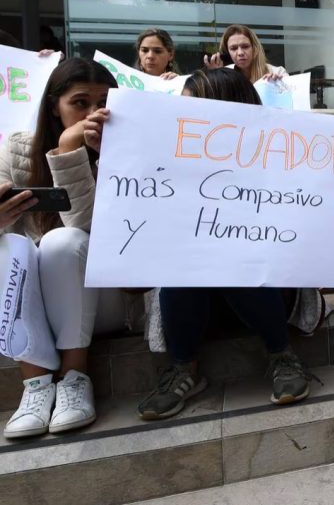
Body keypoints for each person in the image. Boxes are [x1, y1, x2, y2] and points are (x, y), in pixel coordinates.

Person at [135, 68, 313, 420]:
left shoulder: (276, 155)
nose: (183, 118)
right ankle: (183, 367)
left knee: (229, 254)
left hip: (267, 291)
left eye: (193, 108)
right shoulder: (168, 162)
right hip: (193, 298)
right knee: (193, 258)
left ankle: (282, 354)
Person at [0, 58, 121, 438]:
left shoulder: (124, 153)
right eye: (80, 103)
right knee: (9, 245)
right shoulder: (17, 149)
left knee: (63, 240)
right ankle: (35, 383)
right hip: (32, 305)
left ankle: (74, 377)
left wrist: (70, 151)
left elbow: (87, 230)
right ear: (55, 105)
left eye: (103, 103)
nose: (92, 114)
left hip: (102, 296)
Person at [202, 24, 287, 83]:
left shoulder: (278, 72)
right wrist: (216, 77)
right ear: (227, 53)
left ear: (255, 48)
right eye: (233, 48)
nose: (240, 53)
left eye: (245, 46)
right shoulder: (225, 76)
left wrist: (279, 84)